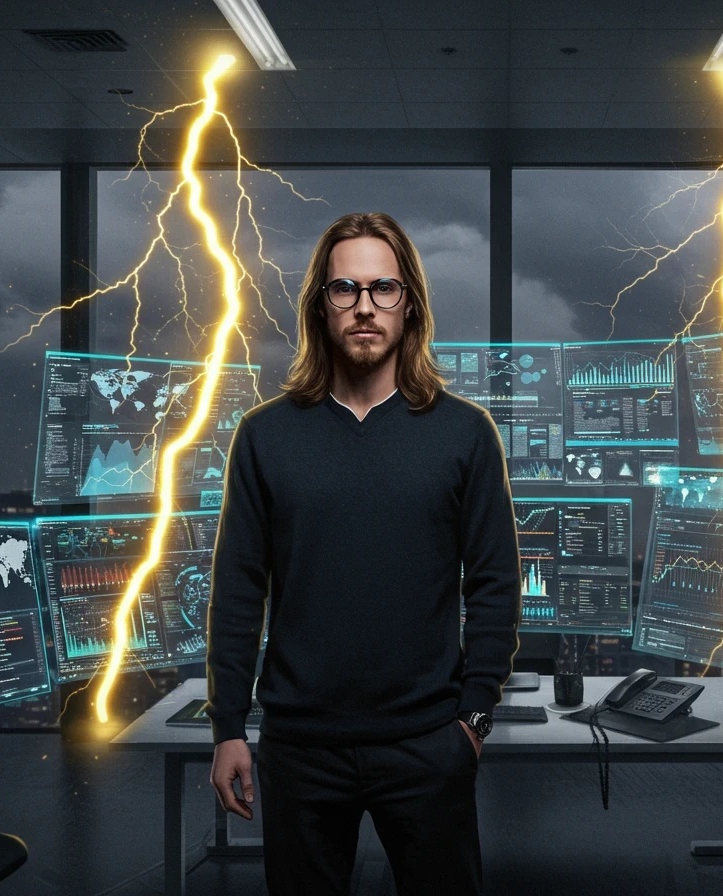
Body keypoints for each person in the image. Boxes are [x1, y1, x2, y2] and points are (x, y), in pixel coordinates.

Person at [204, 211, 522, 896]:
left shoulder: (465, 434)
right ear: (321, 306)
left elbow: (495, 582)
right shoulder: (265, 436)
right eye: (345, 289)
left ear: (411, 305)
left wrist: (474, 717)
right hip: (299, 747)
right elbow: (237, 589)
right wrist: (228, 726)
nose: (365, 307)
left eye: (384, 288)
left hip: (428, 742)